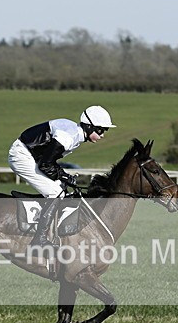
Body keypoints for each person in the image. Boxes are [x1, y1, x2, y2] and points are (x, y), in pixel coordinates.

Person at [8, 105, 116, 248]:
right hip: (22, 155)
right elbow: (45, 164)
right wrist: (63, 176)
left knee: (60, 188)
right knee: (55, 192)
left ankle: (49, 230)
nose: (102, 135)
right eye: (101, 130)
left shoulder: (74, 134)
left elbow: (48, 161)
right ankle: (39, 240)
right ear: (89, 127)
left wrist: (63, 176)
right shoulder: (68, 136)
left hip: (31, 155)